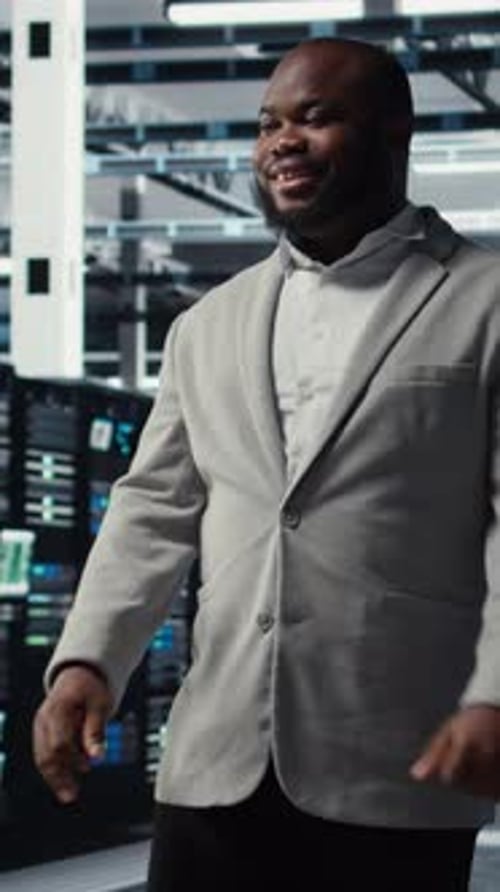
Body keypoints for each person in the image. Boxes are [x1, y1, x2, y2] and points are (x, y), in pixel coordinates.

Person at [33, 37, 500, 891]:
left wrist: (494, 695)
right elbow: (152, 509)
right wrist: (85, 664)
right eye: (267, 124)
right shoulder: (208, 323)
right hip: (215, 761)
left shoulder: (484, 300)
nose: (283, 141)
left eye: (316, 118)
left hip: (399, 760)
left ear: (395, 131)